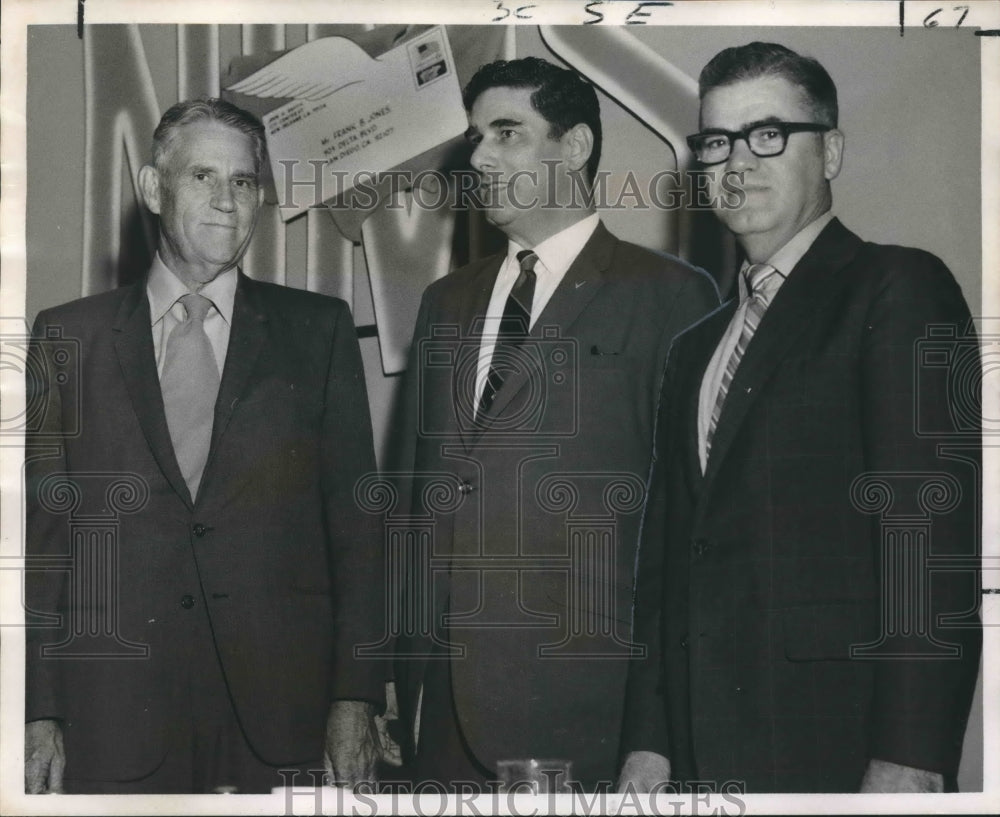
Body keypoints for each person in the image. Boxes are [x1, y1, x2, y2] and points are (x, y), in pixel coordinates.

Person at [618, 42, 981, 793]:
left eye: (769, 134)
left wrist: (912, 756)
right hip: (698, 750)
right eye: (716, 142)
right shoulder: (694, 347)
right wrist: (649, 742)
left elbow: (927, 544)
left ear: (832, 151)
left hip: (837, 741)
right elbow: (667, 568)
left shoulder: (895, 286)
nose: (738, 163)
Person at [23, 98, 385, 794]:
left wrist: (356, 694)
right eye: (203, 178)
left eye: (244, 182)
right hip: (114, 713)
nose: (227, 201)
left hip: (283, 714)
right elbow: (46, 543)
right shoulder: (67, 336)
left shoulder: (318, 331)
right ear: (155, 189)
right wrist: (39, 709)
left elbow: (359, 532)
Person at [391, 57, 719, 791]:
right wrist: (399, 682)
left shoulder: (671, 296)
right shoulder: (445, 301)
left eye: (507, 133)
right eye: (475, 137)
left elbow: (690, 538)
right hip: (442, 720)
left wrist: (658, 735)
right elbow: (419, 503)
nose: (479, 157)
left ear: (572, 148)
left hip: (594, 721)